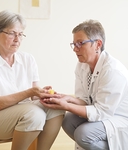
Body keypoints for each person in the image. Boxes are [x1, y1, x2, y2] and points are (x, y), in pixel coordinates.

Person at [0, 10, 65, 150]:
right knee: (34, 114)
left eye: (20, 34)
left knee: (56, 108)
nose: (17, 39)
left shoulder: (28, 59)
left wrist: (44, 94)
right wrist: (30, 91)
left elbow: (34, 96)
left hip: (22, 112)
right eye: (12, 33)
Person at [40, 19, 128, 150]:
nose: (75, 49)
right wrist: (66, 98)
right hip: (103, 112)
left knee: (83, 134)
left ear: (97, 44)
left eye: (80, 43)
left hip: (118, 118)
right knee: (68, 121)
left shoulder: (113, 71)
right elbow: (85, 100)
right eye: (74, 44)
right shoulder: (82, 65)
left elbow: (102, 111)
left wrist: (66, 105)